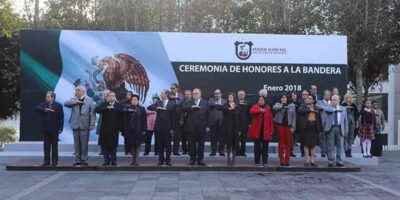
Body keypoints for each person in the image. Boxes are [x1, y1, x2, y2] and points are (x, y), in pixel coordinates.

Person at [64, 86, 96, 166]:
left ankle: (84, 159)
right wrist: (76, 102)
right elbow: (66, 103)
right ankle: (77, 160)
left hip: (85, 124)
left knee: (84, 143)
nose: (76, 92)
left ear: (82, 91)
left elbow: (92, 113)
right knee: (76, 143)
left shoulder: (89, 100)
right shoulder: (74, 99)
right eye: (76, 91)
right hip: (75, 124)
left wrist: (92, 124)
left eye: (77, 91)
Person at [35, 91, 64, 167]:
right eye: (46, 96)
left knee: (54, 146)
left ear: (52, 97)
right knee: (46, 146)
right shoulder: (44, 104)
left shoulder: (58, 105)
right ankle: (46, 161)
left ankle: (54, 162)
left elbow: (61, 118)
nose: (46, 98)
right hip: (45, 128)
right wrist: (45, 109)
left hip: (55, 128)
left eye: (48, 96)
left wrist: (61, 128)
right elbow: (37, 108)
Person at [148, 90, 176, 166]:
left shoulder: (172, 103)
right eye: (161, 94)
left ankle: (168, 160)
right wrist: (157, 106)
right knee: (160, 145)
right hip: (158, 127)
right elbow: (149, 107)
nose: (161, 95)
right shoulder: (158, 102)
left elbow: (173, 117)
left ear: (166, 94)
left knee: (168, 145)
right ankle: (160, 160)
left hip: (168, 127)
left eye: (162, 94)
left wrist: (172, 128)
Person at [183, 88, 209, 166]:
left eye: (197, 93)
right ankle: (192, 159)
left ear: (200, 94)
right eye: (194, 93)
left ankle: (200, 160)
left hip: (202, 127)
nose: (195, 95)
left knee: (201, 144)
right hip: (191, 127)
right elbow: (183, 108)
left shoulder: (205, 102)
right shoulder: (189, 102)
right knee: (192, 144)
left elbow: (208, 115)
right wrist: (191, 108)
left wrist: (207, 126)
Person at [319, 95, 348, 167]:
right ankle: (330, 160)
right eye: (332, 100)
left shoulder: (343, 109)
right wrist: (324, 126)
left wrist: (346, 130)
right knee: (330, 145)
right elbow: (323, 118)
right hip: (330, 128)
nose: (333, 101)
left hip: (340, 128)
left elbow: (345, 121)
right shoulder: (327, 108)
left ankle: (339, 160)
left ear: (339, 101)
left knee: (340, 145)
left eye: (335, 100)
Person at [94, 91, 122, 166]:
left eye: (113, 96)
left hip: (114, 129)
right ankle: (106, 160)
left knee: (113, 146)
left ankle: (113, 161)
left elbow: (122, 112)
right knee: (104, 146)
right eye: (110, 96)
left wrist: (113, 108)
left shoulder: (118, 105)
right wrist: (106, 107)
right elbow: (97, 110)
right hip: (104, 129)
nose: (111, 97)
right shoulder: (104, 104)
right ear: (107, 97)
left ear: (115, 97)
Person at [248, 95, 274, 167]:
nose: (261, 101)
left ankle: (265, 162)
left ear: (264, 101)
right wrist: (260, 110)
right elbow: (251, 111)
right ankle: (257, 162)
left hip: (266, 132)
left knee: (265, 148)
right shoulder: (255, 106)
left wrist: (271, 130)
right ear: (258, 101)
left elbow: (271, 120)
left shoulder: (268, 108)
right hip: (257, 132)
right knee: (257, 148)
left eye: (262, 100)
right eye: (260, 100)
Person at [122, 94, 147, 165]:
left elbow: (144, 120)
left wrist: (144, 130)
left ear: (138, 101)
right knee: (132, 145)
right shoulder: (127, 108)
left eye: (136, 100)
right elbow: (125, 120)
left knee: (138, 145)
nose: (134, 101)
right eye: (133, 100)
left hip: (139, 130)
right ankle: (133, 160)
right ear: (131, 101)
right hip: (130, 131)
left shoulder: (142, 109)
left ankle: (136, 161)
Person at [298, 95, 322, 166]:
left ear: (313, 100)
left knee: (313, 145)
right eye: (308, 98)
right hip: (306, 128)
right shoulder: (303, 106)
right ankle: (307, 160)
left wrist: (320, 128)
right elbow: (300, 111)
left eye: (310, 98)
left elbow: (319, 116)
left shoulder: (316, 107)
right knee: (306, 144)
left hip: (314, 127)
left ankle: (312, 161)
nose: (308, 99)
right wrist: (309, 110)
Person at [273, 94, 296, 166]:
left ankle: (287, 160)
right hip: (280, 126)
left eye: (285, 97)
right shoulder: (278, 104)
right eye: (282, 97)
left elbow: (294, 117)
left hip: (288, 126)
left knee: (288, 144)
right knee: (281, 144)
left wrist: (293, 127)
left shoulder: (292, 105)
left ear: (287, 98)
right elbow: (275, 108)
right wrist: (282, 105)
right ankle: (281, 160)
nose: (283, 99)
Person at [222, 93, 240, 166]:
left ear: (234, 98)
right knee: (228, 143)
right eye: (229, 97)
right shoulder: (225, 105)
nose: (230, 98)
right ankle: (228, 158)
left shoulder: (237, 106)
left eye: (231, 97)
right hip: (227, 127)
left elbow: (238, 114)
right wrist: (230, 109)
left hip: (235, 127)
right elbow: (224, 111)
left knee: (235, 143)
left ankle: (233, 159)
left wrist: (233, 109)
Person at [208, 89, 226, 156]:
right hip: (213, 122)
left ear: (221, 94)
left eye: (218, 93)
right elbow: (210, 106)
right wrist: (218, 105)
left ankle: (221, 151)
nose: (217, 95)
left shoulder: (224, 101)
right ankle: (213, 151)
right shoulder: (211, 100)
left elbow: (225, 108)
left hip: (222, 122)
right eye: (215, 93)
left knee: (222, 138)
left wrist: (217, 105)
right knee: (213, 138)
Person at [316, 90, 332, 158]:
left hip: (331, 124)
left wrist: (324, 108)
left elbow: (332, 109)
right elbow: (317, 107)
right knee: (322, 139)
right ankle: (323, 151)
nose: (327, 96)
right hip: (322, 123)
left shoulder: (332, 102)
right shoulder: (319, 102)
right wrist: (326, 108)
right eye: (326, 95)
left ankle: (329, 152)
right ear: (324, 95)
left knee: (329, 140)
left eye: (329, 95)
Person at [169, 83, 184, 155]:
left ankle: (175, 151)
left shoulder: (181, 96)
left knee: (177, 136)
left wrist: (181, 119)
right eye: (171, 88)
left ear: (177, 89)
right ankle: (167, 151)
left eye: (173, 88)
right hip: (169, 118)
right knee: (168, 135)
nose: (172, 90)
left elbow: (181, 107)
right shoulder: (168, 96)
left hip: (178, 119)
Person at [237, 90, 250, 156]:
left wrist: (249, 123)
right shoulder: (235, 103)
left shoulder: (247, 103)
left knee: (243, 139)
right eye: (240, 94)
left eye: (242, 94)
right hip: (236, 124)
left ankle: (242, 152)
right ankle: (237, 152)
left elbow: (249, 114)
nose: (241, 95)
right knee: (236, 139)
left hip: (244, 124)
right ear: (237, 95)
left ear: (244, 95)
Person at [180, 90, 193, 155]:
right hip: (182, 122)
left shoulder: (193, 102)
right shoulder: (182, 102)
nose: (187, 96)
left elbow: (190, 109)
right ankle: (184, 150)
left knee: (190, 138)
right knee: (183, 138)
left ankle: (190, 150)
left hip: (190, 122)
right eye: (186, 94)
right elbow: (181, 109)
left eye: (188, 94)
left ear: (191, 95)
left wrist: (185, 109)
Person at [121, 91, 134, 155]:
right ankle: (126, 150)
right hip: (125, 123)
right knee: (126, 138)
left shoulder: (134, 102)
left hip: (132, 123)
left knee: (131, 138)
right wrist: (127, 110)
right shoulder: (123, 102)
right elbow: (121, 110)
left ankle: (131, 150)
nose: (128, 96)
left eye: (130, 94)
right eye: (127, 94)